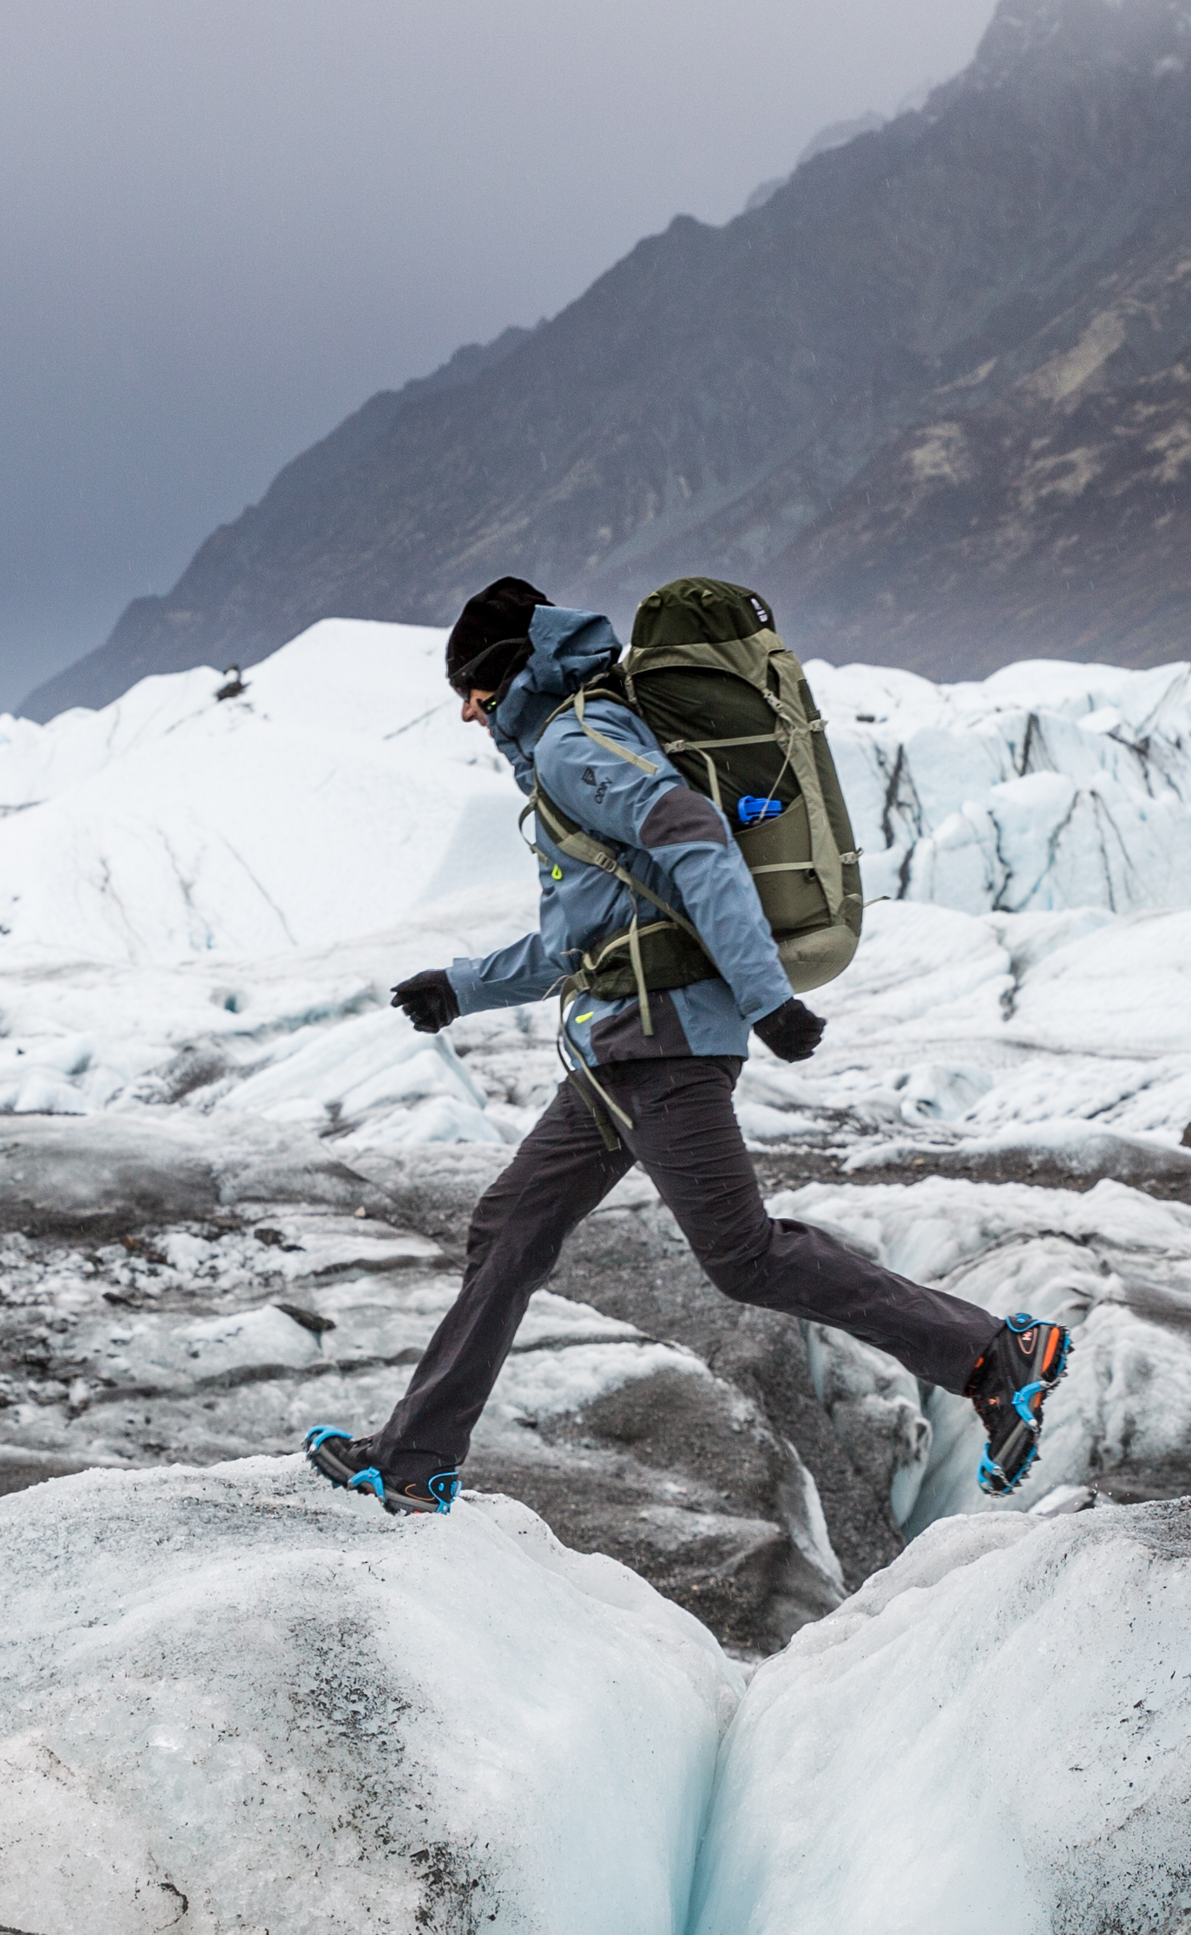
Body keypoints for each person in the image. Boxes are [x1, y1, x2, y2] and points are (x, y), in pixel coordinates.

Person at [308, 575, 1072, 1518]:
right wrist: (460, 987)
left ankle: (995, 1353)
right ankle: (416, 1458)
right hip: (617, 1049)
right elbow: (577, 937)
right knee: (508, 1231)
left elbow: (696, 837)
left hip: (660, 1041)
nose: (465, 710)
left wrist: (766, 999)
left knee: (744, 1255)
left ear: (508, 673)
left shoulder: (572, 744)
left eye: (470, 686)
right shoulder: (576, 741)